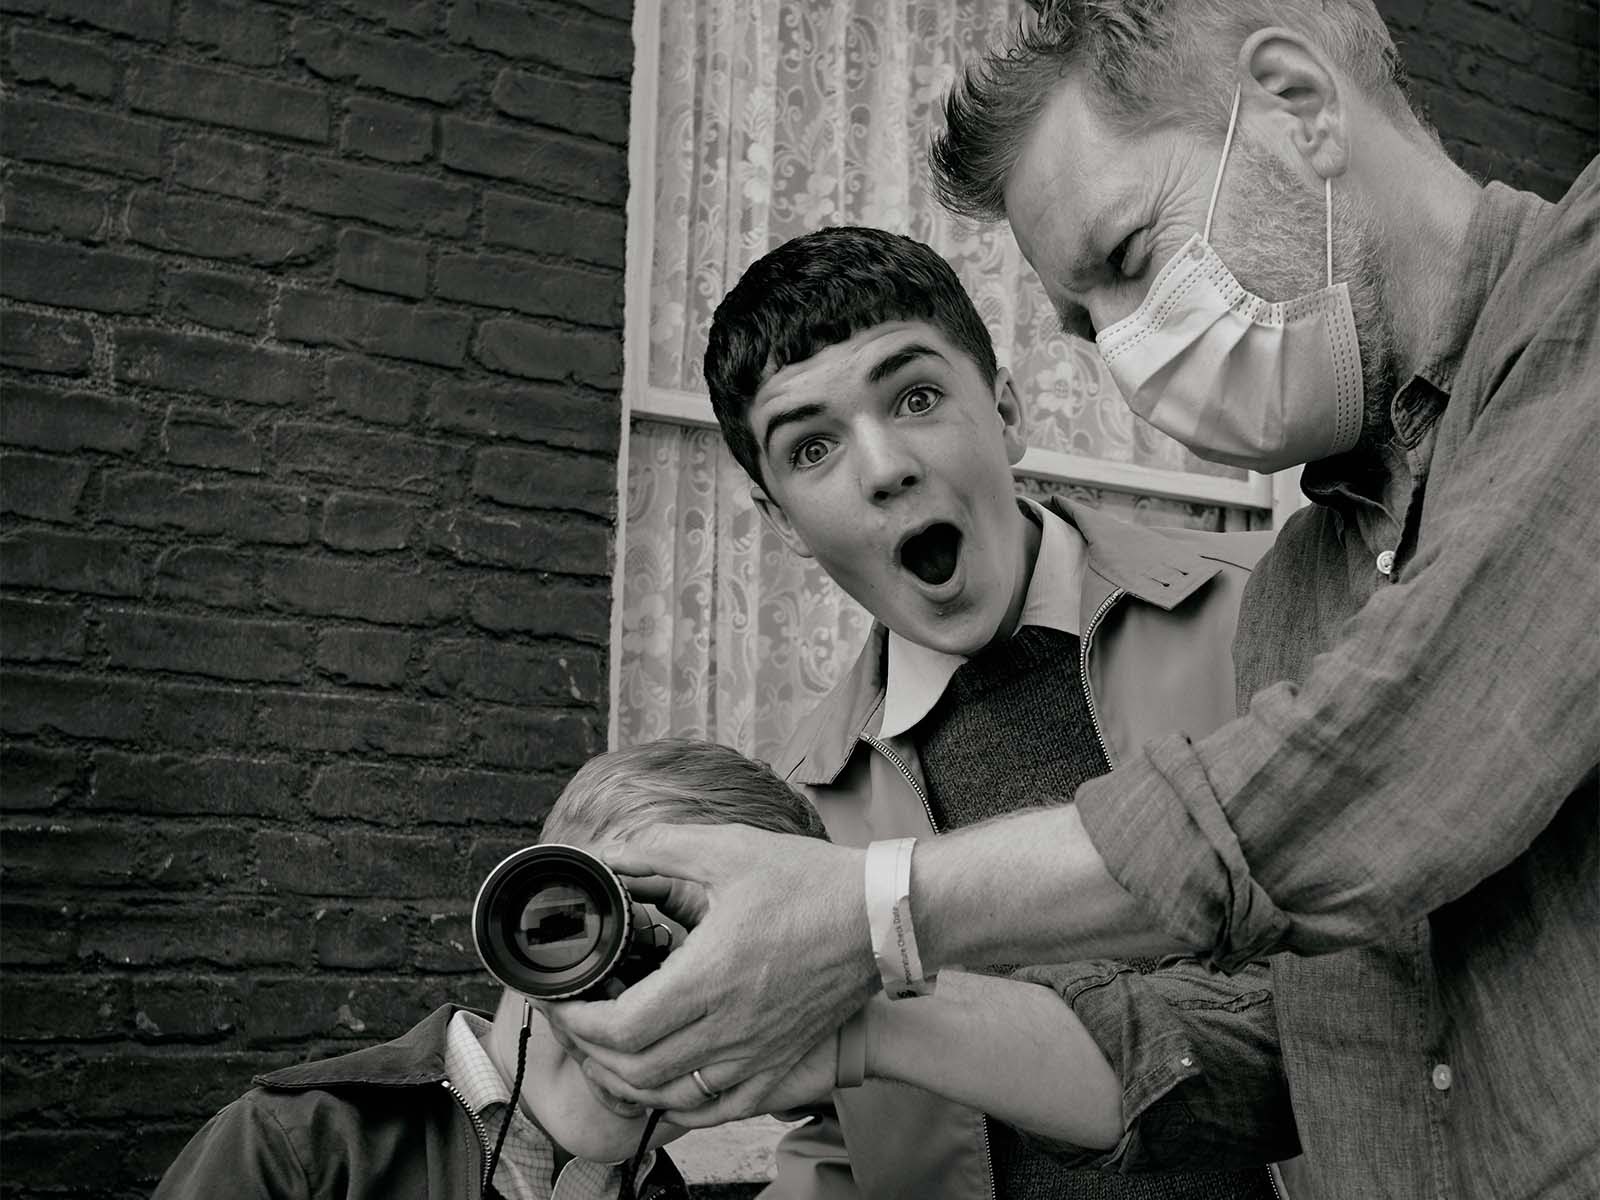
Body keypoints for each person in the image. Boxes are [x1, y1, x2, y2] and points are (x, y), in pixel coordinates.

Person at [545, 4, 1600, 1199]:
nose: (1130, 354)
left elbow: (1406, 757)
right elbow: (1304, 1061)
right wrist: (859, 1025)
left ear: (1299, 107)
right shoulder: (1305, 588)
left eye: (1131, 259)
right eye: (1084, 322)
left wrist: (873, 914)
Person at [582, 225, 1299, 1198]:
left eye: (915, 397)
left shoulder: (1274, 611)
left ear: (1004, 410)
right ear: (779, 520)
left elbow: (1355, 1022)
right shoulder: (804, 809)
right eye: (813, 446)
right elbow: (846, 1137)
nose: (882, 468)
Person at [153, 740, 830, 1200]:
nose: (642, 1031)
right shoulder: (300, 1154)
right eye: (617, 956)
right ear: (522, 917)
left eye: (714, 1006)